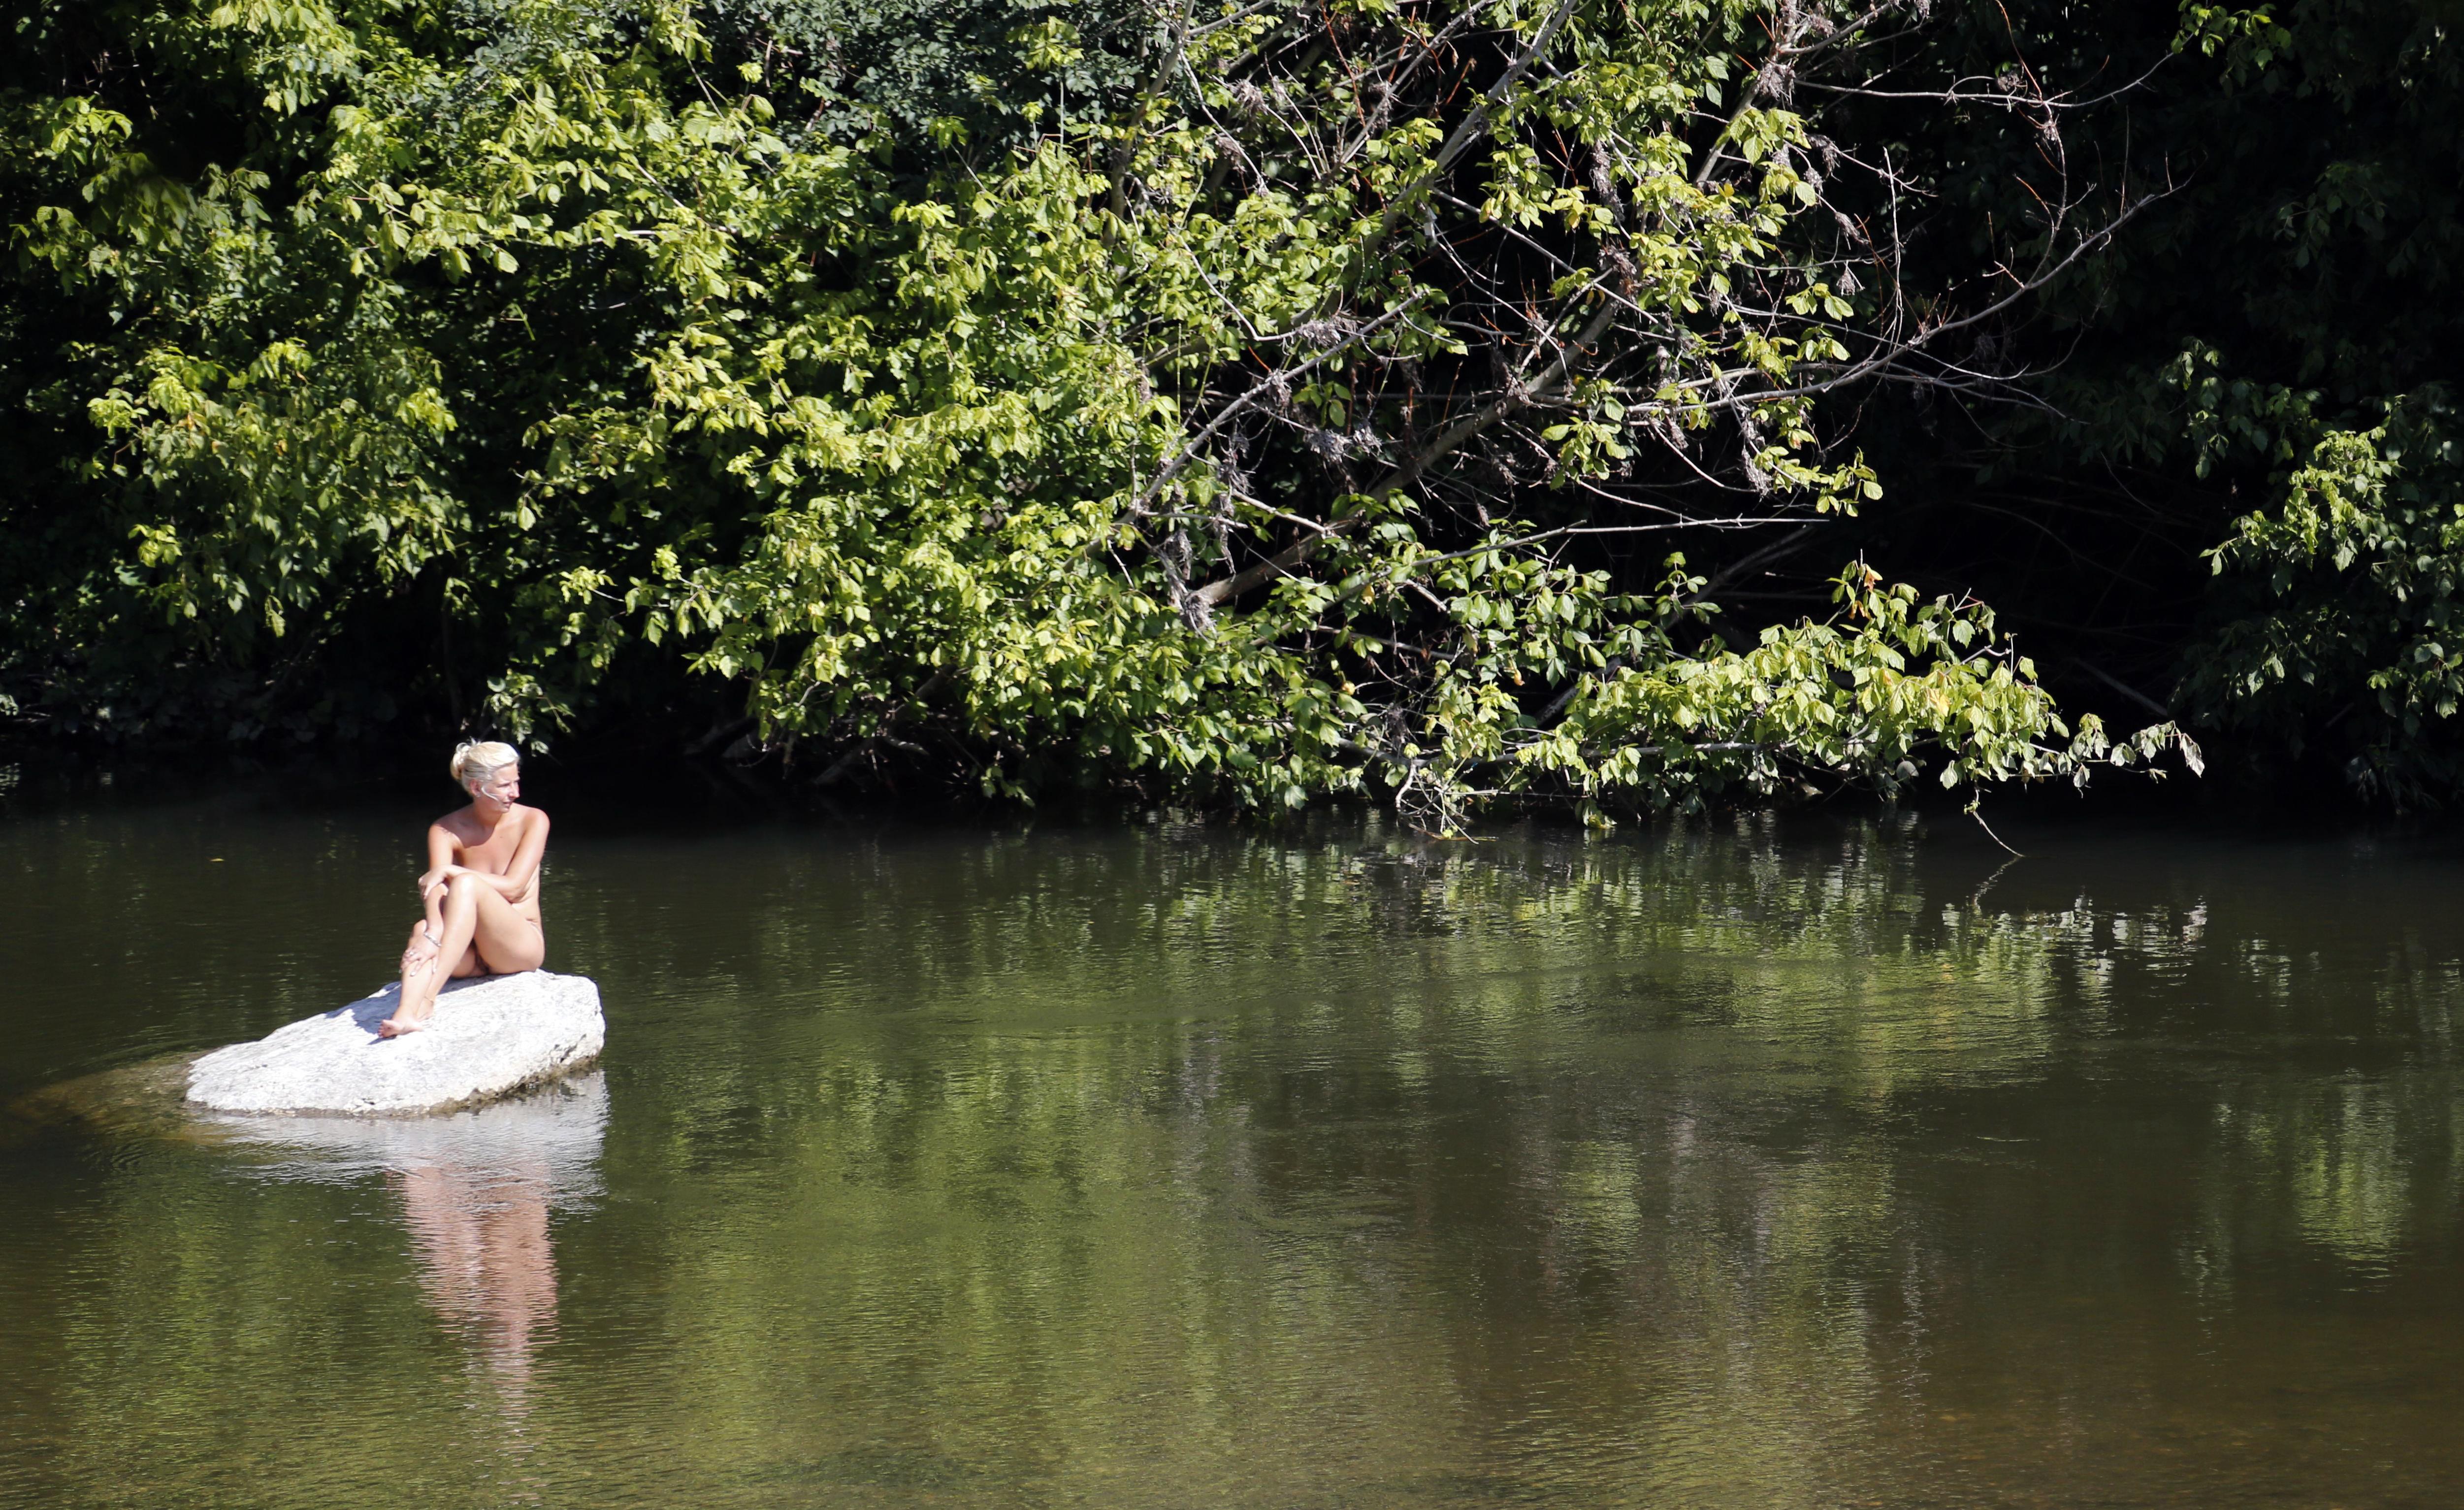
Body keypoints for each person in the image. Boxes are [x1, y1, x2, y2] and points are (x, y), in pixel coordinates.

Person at [380, 741, 551, 1038]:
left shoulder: (533, 820)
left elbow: (514, 887)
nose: (515, 793)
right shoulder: (445, 829)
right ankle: (405, 1014)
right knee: (422, 930)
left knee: (467, 883)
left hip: (518, 948)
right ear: (476, 787)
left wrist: (452, 870)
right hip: (468, 953)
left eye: (516, 782)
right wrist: (434, 931)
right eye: (504, 786)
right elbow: (435, 889)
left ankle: (428, 998)